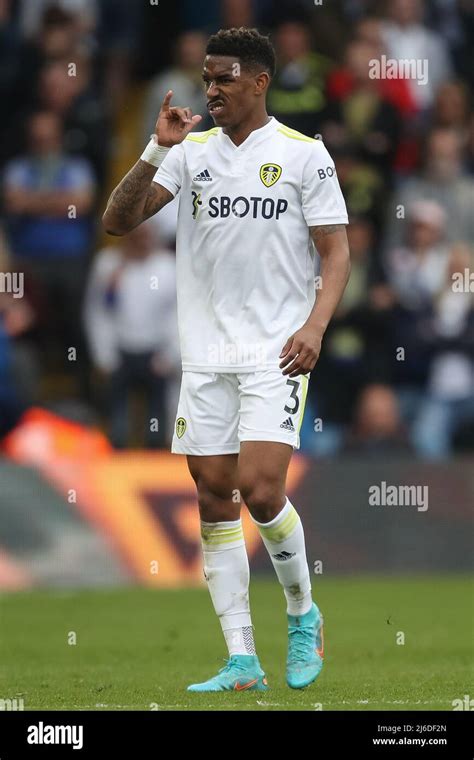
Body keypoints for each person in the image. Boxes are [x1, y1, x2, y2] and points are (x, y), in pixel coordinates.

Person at [103, 27, 350, 693]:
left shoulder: (305, 157)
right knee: (215, 497)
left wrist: (316, 326)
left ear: (260, 82)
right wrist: (157, 146)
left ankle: (303, 613)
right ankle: (242, 658)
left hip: (277, 351)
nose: (210, 89)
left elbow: (336, 252)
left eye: (225, 78)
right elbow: (117, 221)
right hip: (206, 356)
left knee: (263, 490)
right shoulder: (190, 155)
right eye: (207, 77)